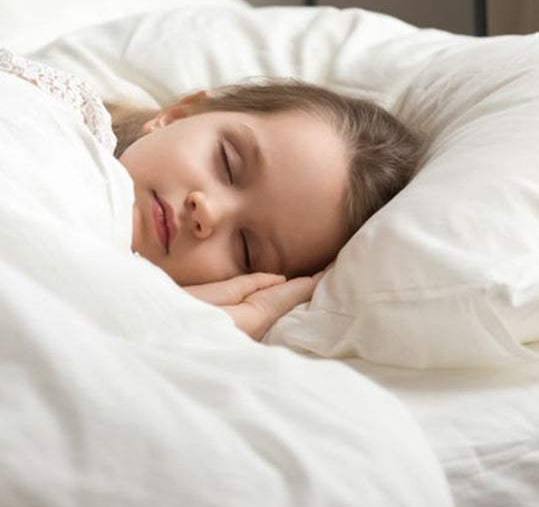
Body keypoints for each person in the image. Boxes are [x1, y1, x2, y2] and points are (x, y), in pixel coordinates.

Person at [105, 81, 424, 341]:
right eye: (227, 164)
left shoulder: (127, 314)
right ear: (178, 116)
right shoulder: (63, 122)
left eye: (246, 248)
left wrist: (240, 315)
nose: (208, 212)